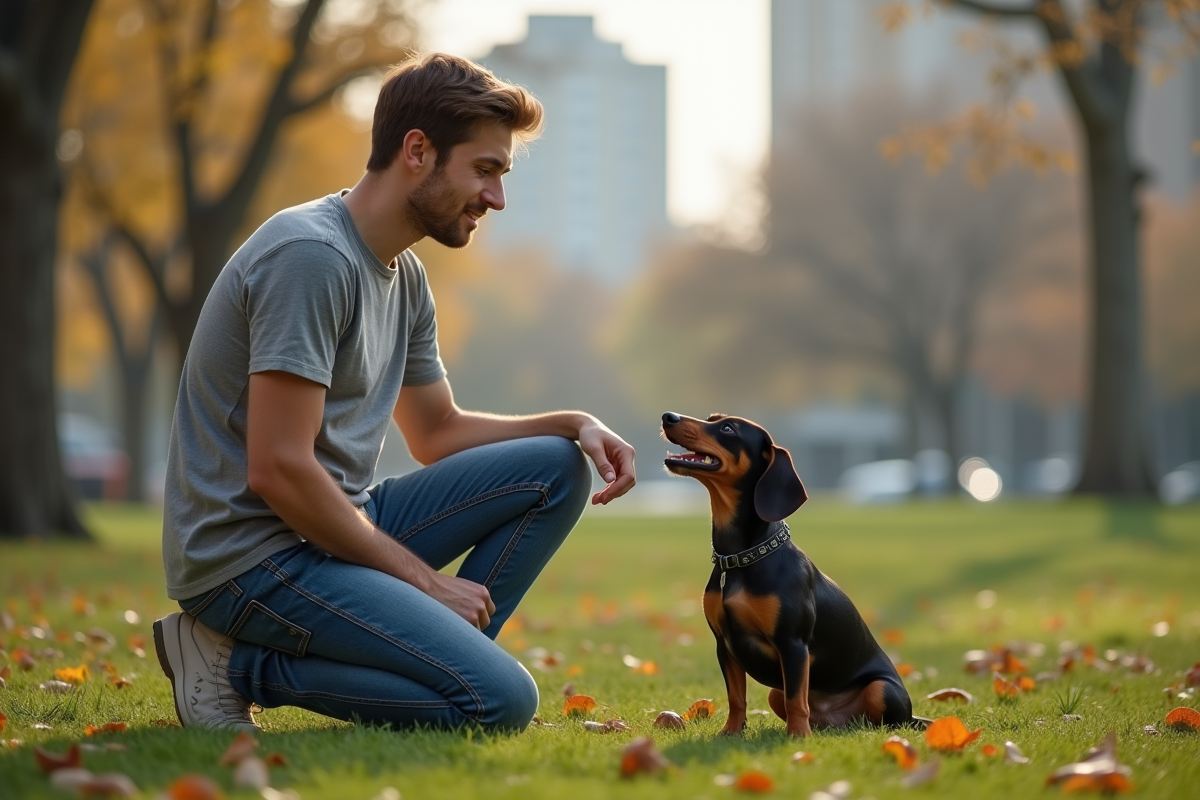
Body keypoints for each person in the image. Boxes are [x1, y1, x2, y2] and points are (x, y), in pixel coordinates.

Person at [152, 52, 637, 734]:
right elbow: (279, 468)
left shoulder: (403, 275)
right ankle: (235, 663)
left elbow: (435, 430)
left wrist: (574, 421)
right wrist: (427, 583)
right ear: (417, 151)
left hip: (331, 528)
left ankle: (445, 661)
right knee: (500, 702)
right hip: (250, 559)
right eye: (486, 170)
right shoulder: (311, 257)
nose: (497, 198)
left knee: (555, 465)